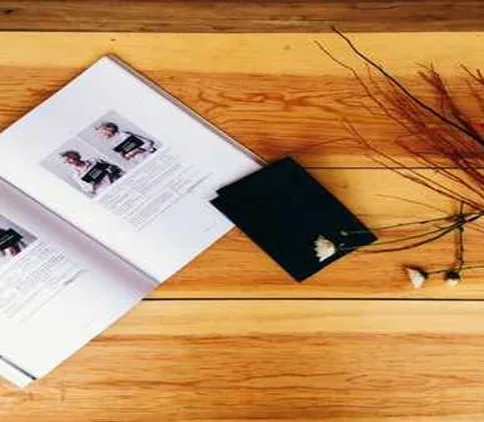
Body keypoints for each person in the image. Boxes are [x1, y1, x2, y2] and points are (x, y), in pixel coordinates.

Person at [60, 150, 124, 196]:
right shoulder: (76, 176)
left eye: (71, 157)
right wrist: (91, 183)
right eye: (66, 161)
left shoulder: (94, 160)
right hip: (108, 193)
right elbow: (88, 191)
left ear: (76, 156)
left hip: (119, 182)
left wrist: (111, 168)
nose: (71, 160)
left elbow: (116, 167)